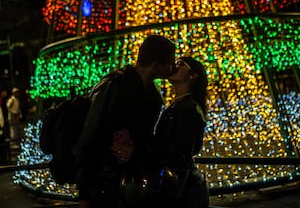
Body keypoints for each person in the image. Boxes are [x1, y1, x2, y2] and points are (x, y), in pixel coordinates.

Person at [75, 34, 176, 208]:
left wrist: (135, 152)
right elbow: (90, 135)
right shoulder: (116, 86)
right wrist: (84, 193)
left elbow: (143, 140)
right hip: (103, 181)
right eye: (170, 62)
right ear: (156, 65)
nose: (173, 67)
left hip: (129, 183)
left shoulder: (152, 97)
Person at [144, 56, 209, 208]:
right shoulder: (177, 106)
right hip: (177, 185)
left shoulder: (189, 110)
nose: (175, 66)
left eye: (180, 64)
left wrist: (146, 156)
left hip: (183, 191)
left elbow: (180, 151)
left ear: (193, 76)